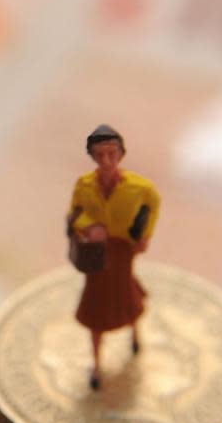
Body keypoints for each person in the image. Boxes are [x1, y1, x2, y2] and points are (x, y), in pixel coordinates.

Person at [66, 125, 160, 389]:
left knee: (126, 293)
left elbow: (153, 203)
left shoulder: (139, 186)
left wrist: (145, 235)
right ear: (92, 156)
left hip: (123, 249)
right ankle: (96, 365)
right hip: (97, 254)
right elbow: (74, 213)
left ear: (121, 154)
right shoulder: (84, 185)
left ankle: (134, 332)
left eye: (112, 153)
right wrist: (88, 227)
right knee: (96, 307)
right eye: (100, 154)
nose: (107, 160)